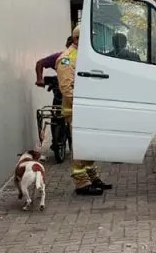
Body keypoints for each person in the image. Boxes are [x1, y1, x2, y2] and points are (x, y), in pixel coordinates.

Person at [56, 26, 112, 196]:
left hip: (86, 110)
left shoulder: (84, 56)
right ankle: (81, 183)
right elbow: (67, 88)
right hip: (76, 110)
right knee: (81, 147)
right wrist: (85, 104)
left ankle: (92, 178)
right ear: (76, 39)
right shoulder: (67, 59)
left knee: (89, 146)